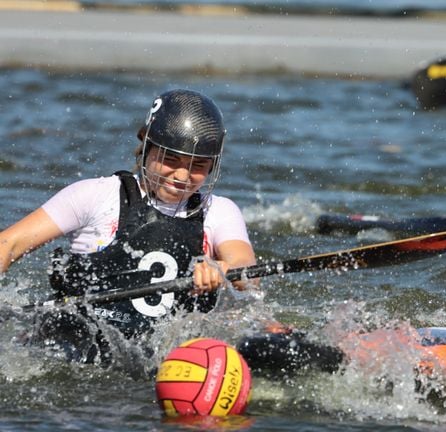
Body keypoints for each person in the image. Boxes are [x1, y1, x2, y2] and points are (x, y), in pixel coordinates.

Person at [0, 89, 257, 363]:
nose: (182, 176)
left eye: (198, 165)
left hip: (156, 358)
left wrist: (223, 269)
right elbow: (9, 244)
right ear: (146, 143)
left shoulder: (219, 211)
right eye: (171, 159)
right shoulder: (95, 195)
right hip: (71, 345)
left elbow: (247, 270)